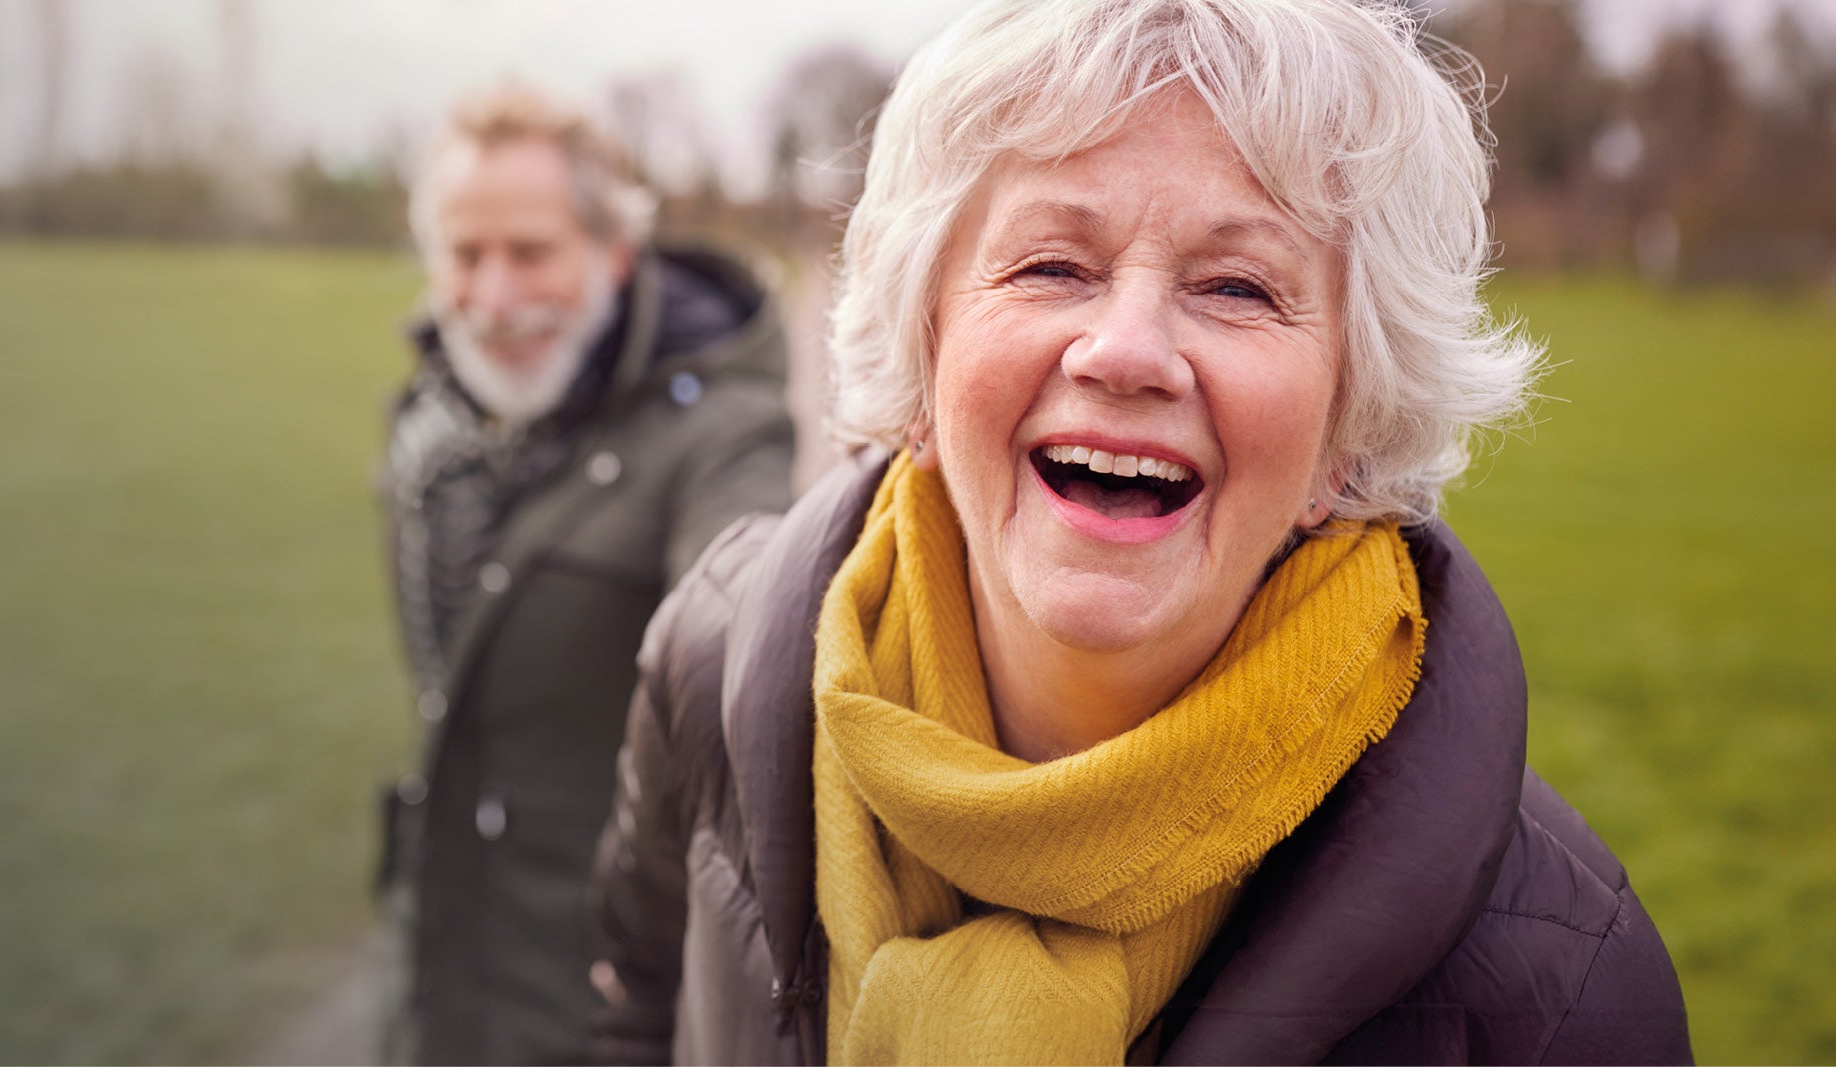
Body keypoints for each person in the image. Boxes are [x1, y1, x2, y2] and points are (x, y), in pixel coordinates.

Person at [589, 1, 1691, 1063]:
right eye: (1051, 266)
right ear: (921, 357)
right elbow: (637, 1016)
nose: (1123, 351)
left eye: (1236, 286)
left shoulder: (1560, 996)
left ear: (1345, 435)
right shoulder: (710, 660)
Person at [375, 84, 795, 1065]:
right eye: (463, 255)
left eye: (528, 252)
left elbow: (746, 601)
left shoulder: (722, 429)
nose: (489, 296)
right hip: (438, 975)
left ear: (612, 253)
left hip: (595, 1001)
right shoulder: (431, 425)